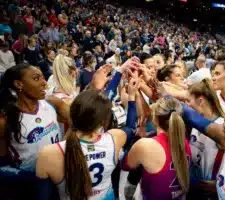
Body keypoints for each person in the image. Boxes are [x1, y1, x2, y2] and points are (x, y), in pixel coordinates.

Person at [36, 79, 140, 200]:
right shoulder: (114, 139)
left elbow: (43, 196)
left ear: (72, 113)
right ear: (104, 121)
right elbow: (132, 128)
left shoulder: (49, 153)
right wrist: (132, 96)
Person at [0, 63, 69, 199]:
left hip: (60, 174)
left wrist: (64, 145)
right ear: (19, 84)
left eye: (43, 78)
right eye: (36, 79)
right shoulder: (5, 120)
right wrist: (34, 176)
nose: (45, 83)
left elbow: (80, 121)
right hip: (29, 185)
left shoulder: (52, 103)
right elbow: (2, 164)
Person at [121, 97, 191, 200]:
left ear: (155, 119)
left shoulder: (145, 145)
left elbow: (125, 165)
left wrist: (137, 138)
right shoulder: (185, 141)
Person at [187, 78, 225, 199]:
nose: (187, 105)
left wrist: (221, 186)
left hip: (209, 193)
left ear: (200, 101)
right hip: (194, 187)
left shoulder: (221, 127)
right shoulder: (195, 123)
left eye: (188, 101)